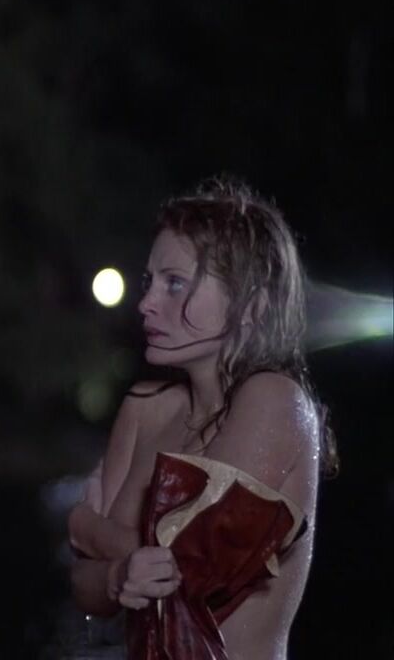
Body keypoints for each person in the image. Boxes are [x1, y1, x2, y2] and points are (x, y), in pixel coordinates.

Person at [68, 177, 336, 659]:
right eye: (149, 281)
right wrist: (114, 574)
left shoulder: (276, 400)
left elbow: (187, 572)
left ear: (251, 305)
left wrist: (84, 525)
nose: (146, 303)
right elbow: (85, 583)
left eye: (175, 283)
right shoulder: (143, 409)